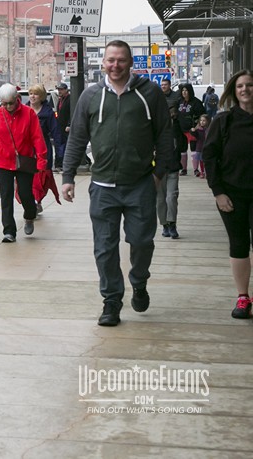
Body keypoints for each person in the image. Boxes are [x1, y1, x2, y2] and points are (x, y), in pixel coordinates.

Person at [61, 40, 176, 327]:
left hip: (140, 184)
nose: (115, 65)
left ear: (130, 62)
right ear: (103, 63)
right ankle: (111, 301)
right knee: (105, 247)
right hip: (102, 186)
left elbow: (165, 134)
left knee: (141, 241)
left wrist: (159, 173)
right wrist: (67, 176)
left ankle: (139, 281)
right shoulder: (90, 95)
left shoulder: (149, 93)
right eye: (111, 60)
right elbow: (77, 137)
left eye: (121, 60)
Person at [202, 70, 253, 320]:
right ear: (234, 91)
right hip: (232, 194)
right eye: (240, 86)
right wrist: (218, 192)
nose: (245, 90)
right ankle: (243, 297)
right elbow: (209, 157)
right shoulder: (224, 121)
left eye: (250, 85)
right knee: (239, 244)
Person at [0, 83, 47, 243]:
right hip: (2, 161)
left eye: (11, 103)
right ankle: (9, 231)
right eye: (4, 104)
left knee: (25, 194)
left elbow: (37, 138)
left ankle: (30, 215)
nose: (8, 107)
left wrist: (41, 160)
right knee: (6, 195)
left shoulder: (29, 114)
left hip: (24, 160)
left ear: (17, 99)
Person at [27, 84, 62, 213]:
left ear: (41, 96)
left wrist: (60, 154)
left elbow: (56, 133)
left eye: (35, 94)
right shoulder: (24, 110)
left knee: (42, 177)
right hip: (27, 150)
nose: (32, 96)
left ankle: (37, 201)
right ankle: (31, 201)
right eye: (31, 93)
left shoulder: (48, 113)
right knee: (27, 178)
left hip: (43, 149)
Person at [155, 78, 182, 240]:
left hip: (172, 166)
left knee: (171, 197)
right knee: (160, 199)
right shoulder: (154, 128)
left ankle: (172, 223)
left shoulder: (176, 127)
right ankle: (164, 224)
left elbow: (182, 143)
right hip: (158, 168)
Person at [176, 83, 205, 175]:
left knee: (194, 149)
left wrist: (196, 127)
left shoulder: (196, 102)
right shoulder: (179, 101)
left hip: (193, 130)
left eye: (186, 90)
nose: (184, 92)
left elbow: (202, 116)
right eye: (183, 90)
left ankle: (196, 169)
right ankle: (183, 169)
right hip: (180, 129)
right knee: (182, 149)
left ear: (190, 91)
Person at [53, 82, 71, 171]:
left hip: (66, 127)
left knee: (65, 146)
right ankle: (59, 164)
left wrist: (69, 124)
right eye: (58, 89)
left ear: (66, 90)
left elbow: (71, 113)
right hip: (59, 126)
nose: (59, 91)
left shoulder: (69, 99)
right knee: (59, 145)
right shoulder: (60, 99)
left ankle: (63, 164)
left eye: (61, 89)